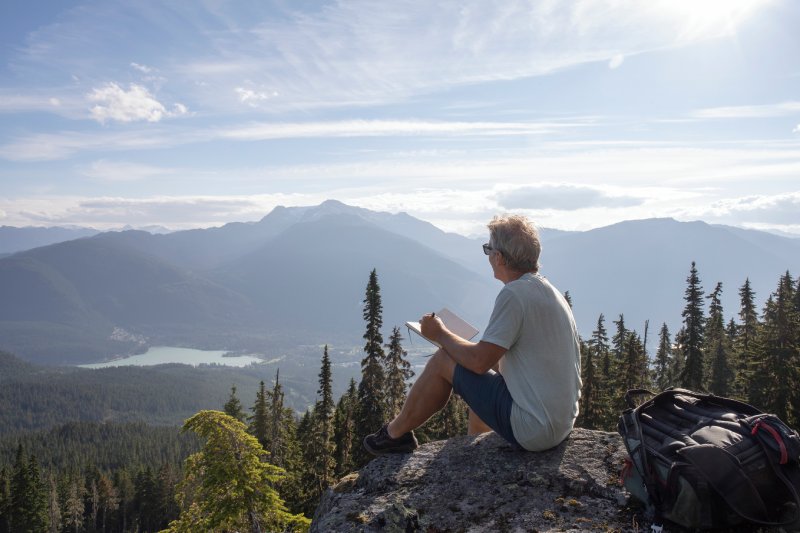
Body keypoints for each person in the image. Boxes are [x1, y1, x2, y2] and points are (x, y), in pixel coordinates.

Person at [364, 214, 581, 454]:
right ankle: (475, 450)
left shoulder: (515, 295)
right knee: (484, 377)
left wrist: (441, 334)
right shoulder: (548, 290)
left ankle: (395, 434)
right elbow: (499, 362)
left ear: (498, 257)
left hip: (535, 430)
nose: (488, 256)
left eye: (488, 249)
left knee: (442, 361)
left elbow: (479, 363)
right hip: (559, 423)